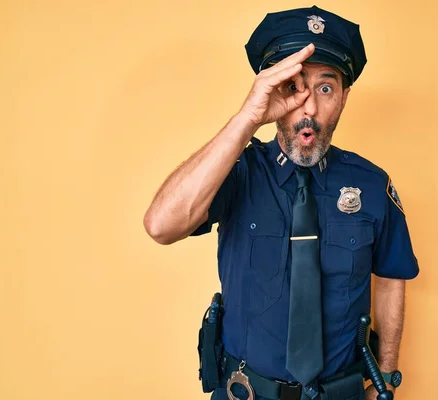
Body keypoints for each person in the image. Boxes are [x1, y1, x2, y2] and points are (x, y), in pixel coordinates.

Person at [143, 5, 419, 400]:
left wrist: (385, 379)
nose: (308, 108)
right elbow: (161, 226)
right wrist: (248, 118)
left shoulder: (372, 185)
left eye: (326, 88)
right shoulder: (235, 171)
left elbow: (392, 278)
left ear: (343, 98)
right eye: (293, 86)